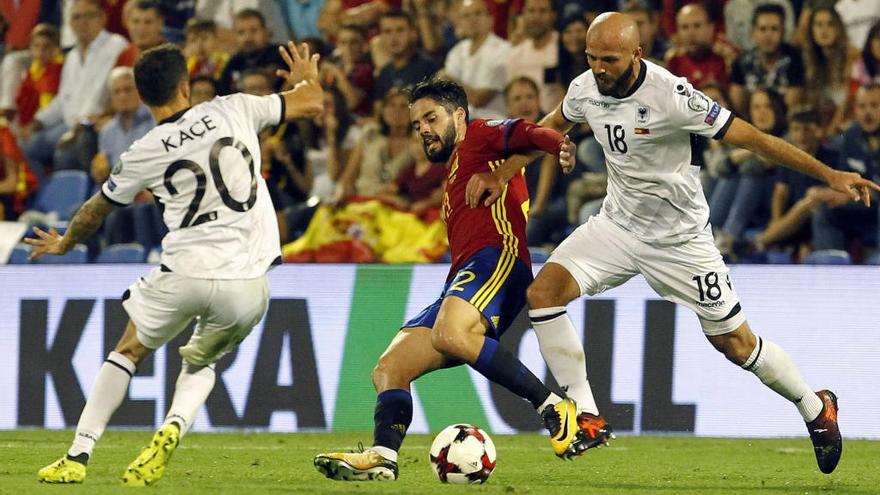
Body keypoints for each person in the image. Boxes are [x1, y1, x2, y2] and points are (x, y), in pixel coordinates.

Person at [468, 12, 880, 475]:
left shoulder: (673, 96)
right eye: (591, 57)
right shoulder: (585, 88)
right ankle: (584, 413)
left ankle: (814, 406)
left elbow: (756, 138)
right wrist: (504, 171)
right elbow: (550, 125)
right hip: (617, 227)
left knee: (737, 344)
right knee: (543, 294)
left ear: (636, 54)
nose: (599, 68)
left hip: (680, 240)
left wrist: (830, 174)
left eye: (609, 59)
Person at [31, 41, 324, 486]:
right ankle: (172, 426)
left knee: (128, 350)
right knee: (201, 361)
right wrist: (306, 75)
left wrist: (66, 243)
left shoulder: (142, 151)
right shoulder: (235, 109)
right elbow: (313, 102)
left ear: (143, 95)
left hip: (184, 273)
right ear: (186, 85)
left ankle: (78, 454)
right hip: (248, 283)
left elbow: (95, 210)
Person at [313, 79, 611, 482]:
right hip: (463, 277)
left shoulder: (481, 136)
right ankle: (384, 455)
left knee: (451, 334)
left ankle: (555, 409)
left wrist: (555, 141)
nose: (423, 129)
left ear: (458, 115)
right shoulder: (454, 170)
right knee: (389, 368)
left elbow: (525, 131)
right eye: (418, 123)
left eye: (431, 118)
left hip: (499, 260)